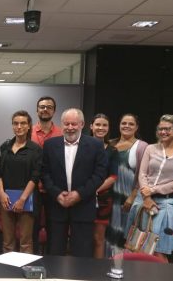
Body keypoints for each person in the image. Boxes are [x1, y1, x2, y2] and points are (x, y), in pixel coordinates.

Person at [41, 108, 107, 257]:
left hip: (84, 206)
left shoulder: (95, 145)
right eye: (66, 124)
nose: (70, 127)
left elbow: (99, 175)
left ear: (82, 124)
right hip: (57, 206)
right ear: (61, 124)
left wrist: (79, 194)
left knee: (82, 254)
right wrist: (57, 194)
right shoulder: (50, 145)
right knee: (55, 252)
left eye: (74, 124)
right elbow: (44, 173)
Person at [128, 114, 173, 261]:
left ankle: (163, 276)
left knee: (157, 250)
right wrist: (146, 197)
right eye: (160, 129)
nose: (163, 132)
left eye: (167, 129)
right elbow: (142, 174)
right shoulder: (150, 149)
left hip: (165, 203)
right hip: (143, 201)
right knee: (137, 246)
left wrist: (152, 190)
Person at [0, 110, 42, 253]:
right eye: (15, 123)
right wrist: (1, 193)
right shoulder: (5, 146)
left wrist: (22, 199)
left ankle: (26, 267)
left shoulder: (35, 149)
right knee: (7, 242)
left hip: (26, 200)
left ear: (29, 126)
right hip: (6, 200)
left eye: (23, 123)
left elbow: (35, 176)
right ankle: (7, 268)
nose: (19, 126)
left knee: (25, 242)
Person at [107, 114, 148, 247]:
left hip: (129, 198)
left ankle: (123, 260)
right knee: (107, 235)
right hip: (108, 197)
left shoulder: (142, 146)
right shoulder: (110, 144)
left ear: (137, 127)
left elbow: (144, 175)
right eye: (124, 123)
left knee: (124, 236)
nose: (127, 126)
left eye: (131, 124)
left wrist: (132, 197)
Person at [30, 96, 63, 252]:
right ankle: (32, 260)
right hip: (32, 188)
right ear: (37, 110)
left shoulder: (62, 133)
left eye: (49, 107)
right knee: (32, 228)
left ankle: (52, 262)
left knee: (54, 229)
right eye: (42, 107)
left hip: (54, 189)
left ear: (54, 111)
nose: (45, 109)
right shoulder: (28, 131)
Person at [89, 113, 117, 258]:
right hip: (81, 197)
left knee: (98, 238)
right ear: (91, 126)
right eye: (98, 124)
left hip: (103, 199)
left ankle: (97, 269)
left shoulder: (112, 150)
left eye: (104, 125)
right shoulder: (81, 146)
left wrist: (94, 189)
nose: (101, 128)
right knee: (82, 237)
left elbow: (113, 176)